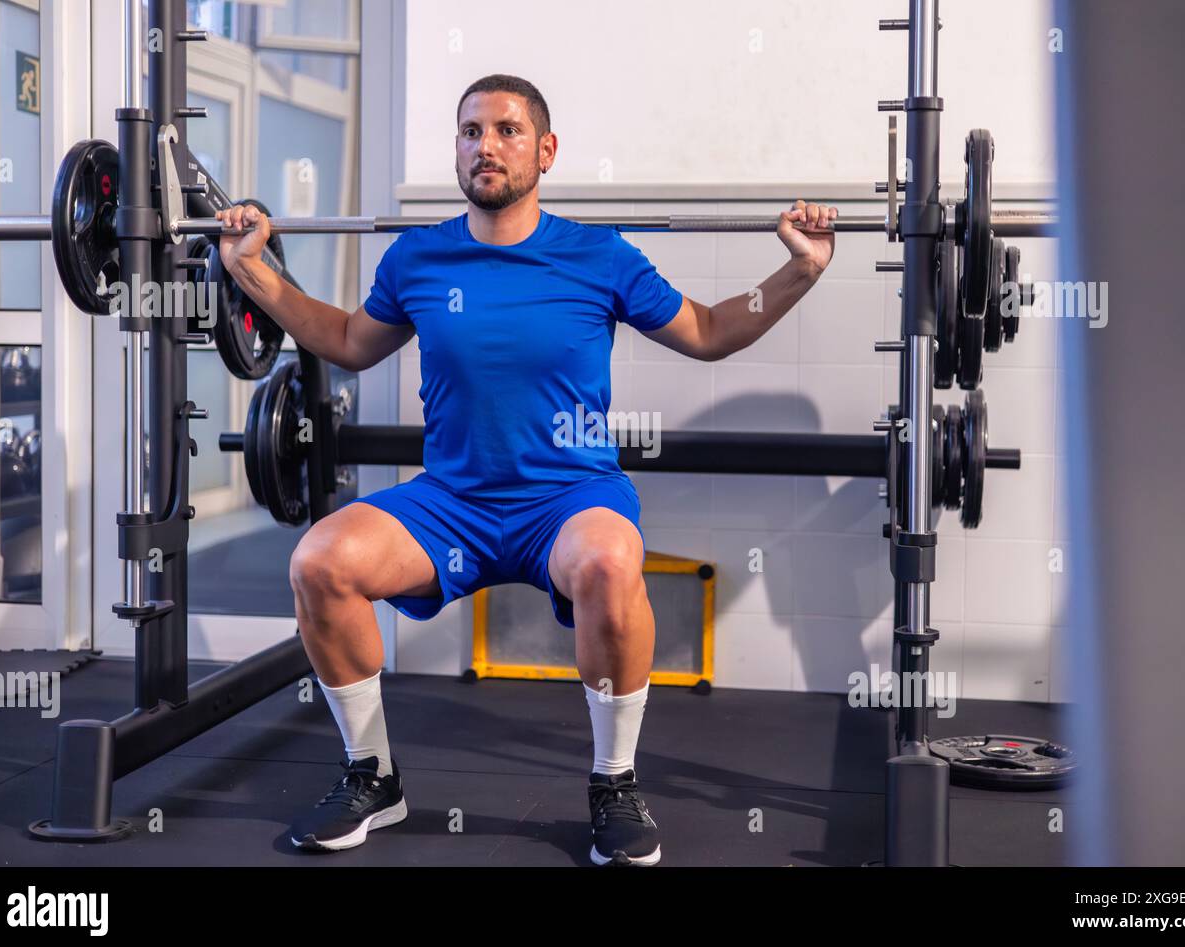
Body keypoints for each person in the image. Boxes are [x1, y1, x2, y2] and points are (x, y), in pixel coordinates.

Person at [217, 73, 837, 866]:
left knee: (611, 562)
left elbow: (710, 331)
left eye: (508, 130)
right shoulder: (419, 255)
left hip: (568, 498)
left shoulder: (599, 256)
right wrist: (251, 270)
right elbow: (344, 341)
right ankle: (372, 774)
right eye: (471, 130)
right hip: (453, 503)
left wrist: (803, 269)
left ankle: (614, 783)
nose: (487, 146)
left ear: (545, 150)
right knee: (320, 561)